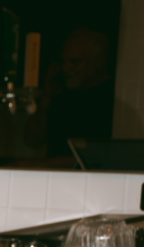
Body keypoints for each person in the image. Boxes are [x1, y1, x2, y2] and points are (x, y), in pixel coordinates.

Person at [42, 28, 114, 160]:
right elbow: (32, 140)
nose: (65, 68)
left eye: (75, 62)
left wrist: (41, 165)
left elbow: (96, 157)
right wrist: (47, 97)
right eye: (63, 61)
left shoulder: (110, 100)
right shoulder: (63, 98)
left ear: (99, 60)